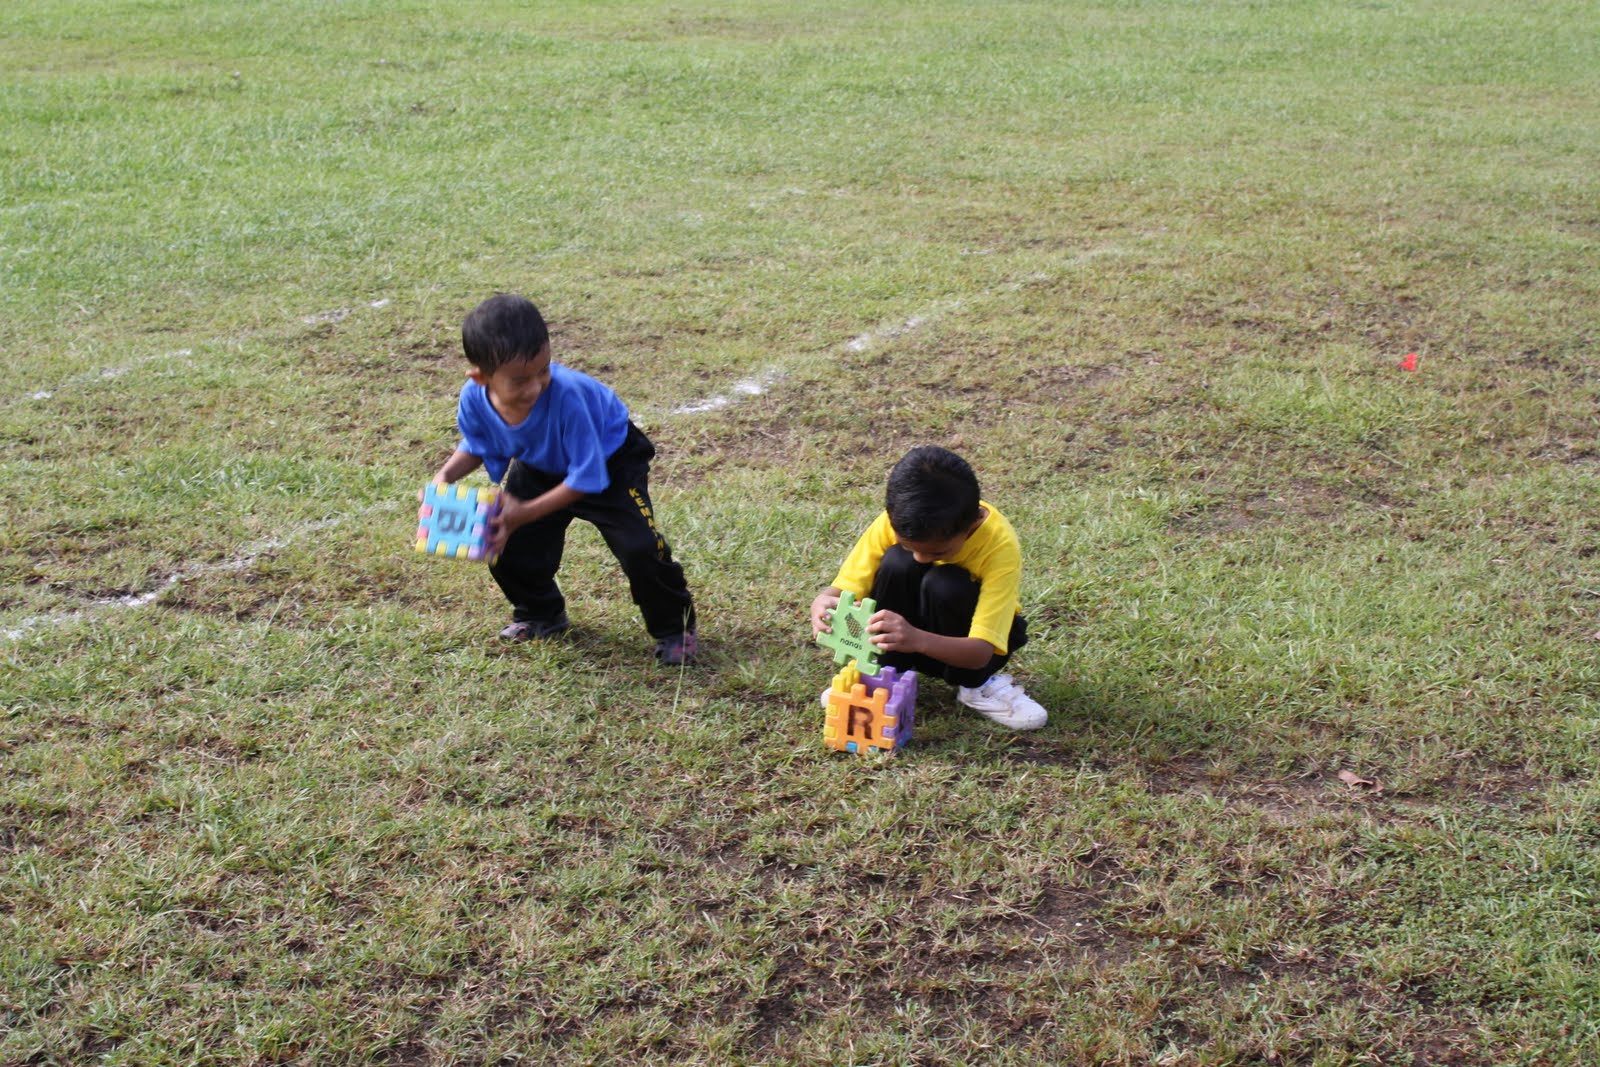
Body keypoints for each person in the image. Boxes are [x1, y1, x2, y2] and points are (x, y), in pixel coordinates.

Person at [430, 293, 698, 664]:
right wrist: (443, 478)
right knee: (503, 543)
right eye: (521, 380)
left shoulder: (568, 397)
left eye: (544, 369)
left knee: (640, 548)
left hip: (609, 464)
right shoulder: (474, 399)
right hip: (540, 462)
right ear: (481, 377)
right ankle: (540, 613)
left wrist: (522, 512)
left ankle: (675, 629)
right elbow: (478, 443)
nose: (537, 386)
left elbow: (586, 478)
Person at [809, 446, 1046, 730]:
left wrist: (915, 638)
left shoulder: (998, 545)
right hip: (903, 639)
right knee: (898, 561)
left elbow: (981, 652)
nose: (921, 558)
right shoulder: (903, 519)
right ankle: (886, 672)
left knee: (945, 582)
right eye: (911, 546)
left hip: (966, 654)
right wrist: (822, 603)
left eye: (937, 552)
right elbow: (844, 589)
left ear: (973, 523)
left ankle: (977, 687)